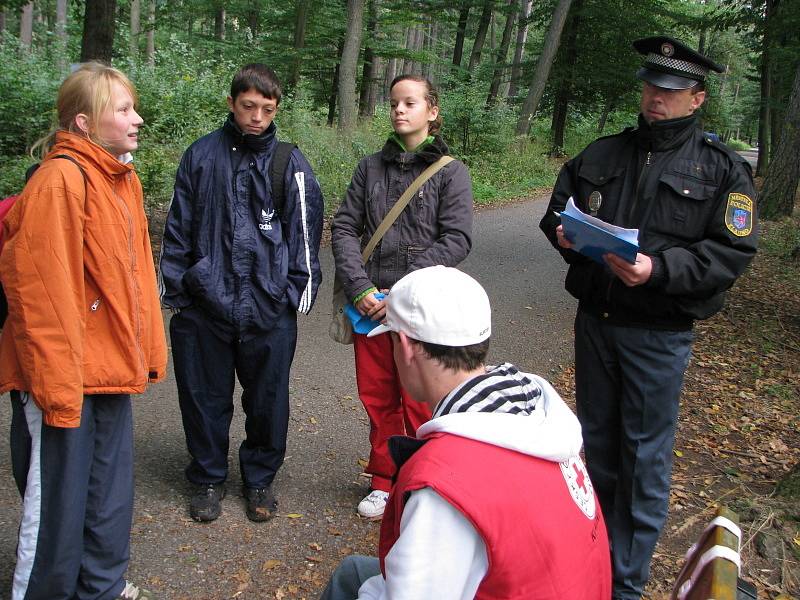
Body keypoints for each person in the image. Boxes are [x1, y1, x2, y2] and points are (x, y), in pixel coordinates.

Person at [539, 36, 758, 599]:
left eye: (671, 89)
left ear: (697, 98)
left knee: (642, 461)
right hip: (597, 322)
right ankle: (596, 563)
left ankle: (625, 585)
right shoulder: (603, 153)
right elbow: (557, 210)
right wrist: (565, 236)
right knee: (598, 449)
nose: (656, 98)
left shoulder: (721, 169)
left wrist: (657, 270)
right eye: (650, 86)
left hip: (658, 335)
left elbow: (730, 254)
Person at [320, 266, 611, 600]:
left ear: (404, 345)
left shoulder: (444, 484)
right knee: (353, 573)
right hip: (567, 584)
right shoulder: (536, 410)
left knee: (355, 581)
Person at [0, 62, 167, 600]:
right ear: (84, 122)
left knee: (107, 498)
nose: (136, 118)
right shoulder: (59, 182)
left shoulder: (122, 178)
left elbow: (136, 277)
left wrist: (144, 353)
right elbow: (40, 298)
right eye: (122, 110)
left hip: (107, 370)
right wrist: (56, 393)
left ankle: (102, 587)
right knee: (56, 512)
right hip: (62, 379)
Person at [159, 63, 324, 523]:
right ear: (232, 103)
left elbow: (306, 233)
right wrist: (180, 291)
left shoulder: (289, 163)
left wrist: (294, 295)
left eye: (266, 109)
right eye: (248, 106)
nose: (256, 117)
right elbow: (178, 228)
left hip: (269, 308)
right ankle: (208, 477)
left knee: (268, 400)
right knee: (203, 396)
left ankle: (259, 480)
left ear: (276, 110)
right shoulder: (200, 156)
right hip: (204, 306)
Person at [331, 75, 473, 519]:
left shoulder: (452, 171)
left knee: (421, 398)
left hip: (420, 310)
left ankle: (424, 479)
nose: (398, 110)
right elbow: (344, 228)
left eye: (409, 103)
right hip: (370, 306)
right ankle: (384, 479)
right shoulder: (369, 168)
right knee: (377, 395)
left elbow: (457, 239)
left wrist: (401, 292)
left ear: (432, 110)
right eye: (394, 103)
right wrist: (361, 288)